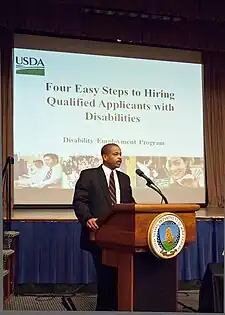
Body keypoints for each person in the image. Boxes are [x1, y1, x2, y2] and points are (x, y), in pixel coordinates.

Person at [73, 143, 135, 311]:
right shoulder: (89, 175)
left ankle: (121, 306)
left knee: (120, 276)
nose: (119, 157)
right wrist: (87, 218)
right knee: (105, 274)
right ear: (105, 157)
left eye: (120, 154)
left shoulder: (124, 178)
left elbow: (130, 204)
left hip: (122, 237)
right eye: (115, 154)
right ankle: (104, 309)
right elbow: (80, 201)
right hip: (99, 234)